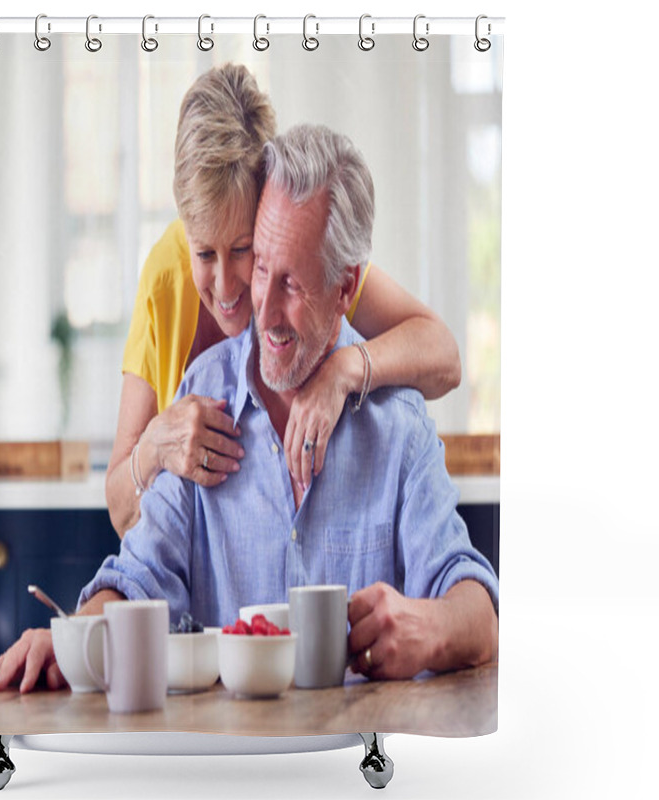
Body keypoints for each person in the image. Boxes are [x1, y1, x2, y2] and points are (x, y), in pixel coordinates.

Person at [0, 125, 497, 694]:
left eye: (293, 285)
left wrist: (431, 627)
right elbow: (138, 578)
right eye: (261, 271)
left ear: (346, 287)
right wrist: (75, 636)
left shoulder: (397, 423)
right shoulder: (203, 393)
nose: (264, 310)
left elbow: (475, 607)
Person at [106, 63, 461, 537]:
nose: (229, 286)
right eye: (204, 253)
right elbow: (119, 510)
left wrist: (342, 371)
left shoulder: (298, 275)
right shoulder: (166, 276)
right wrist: (154, 446)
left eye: (243, 250)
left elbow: (443, 357)